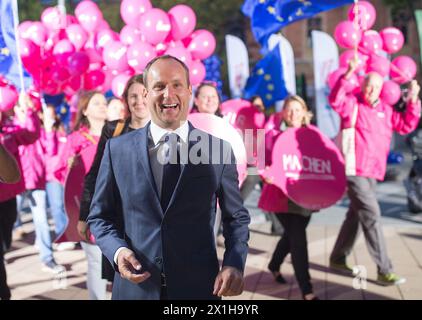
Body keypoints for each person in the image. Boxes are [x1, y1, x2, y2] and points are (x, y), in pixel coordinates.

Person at [87, 55, 250, 300]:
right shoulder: (117, 149)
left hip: (198, 290)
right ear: (145, 95)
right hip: (135, 290)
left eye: (176, 85)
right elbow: (100, 216)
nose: (168, 94)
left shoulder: (218, 150)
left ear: (189, 91)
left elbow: (235, 217)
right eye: (159, 86)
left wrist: (234, 262)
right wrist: (118, 252)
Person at [328, 59, 421, 285]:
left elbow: (406, 125)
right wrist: (348, 73)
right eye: (368, 85)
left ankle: (338, 257)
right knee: (372, 214)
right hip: (353, 169)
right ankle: (384, 269)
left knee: (356, 215)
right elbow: (336, 100)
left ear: (382, 89)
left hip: (373, 171)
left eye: (377, 87)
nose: (372, 90)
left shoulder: (386, 110)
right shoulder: (353, 104)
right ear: (362, 85)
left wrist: (414, 99)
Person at [78, 74, 150, 284]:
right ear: (125, 99)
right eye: (133, 96)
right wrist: (84, 215)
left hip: (150, 220)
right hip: (119, 219)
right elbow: (95, 175)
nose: (139, 101)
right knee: (123, 274)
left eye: (144, 95)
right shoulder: (114, 129)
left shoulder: (165, 132)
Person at [258, 95, 319, 300]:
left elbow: (322, 161)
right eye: (289, 109)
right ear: (283, 113)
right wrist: (264, 173)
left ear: (304, 112)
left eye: (297, 109)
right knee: (298, 239)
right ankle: (307, 290)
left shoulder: (312, 135)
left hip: (305, 197)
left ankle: (274, 264)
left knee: (292, 235)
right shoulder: (272, 134)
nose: (293, 113)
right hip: (279, 196)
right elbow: (256, 159)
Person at [54, 90, 108, 299]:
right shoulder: (76, 139)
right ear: (84, 110)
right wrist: (69, 168)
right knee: (95, 260)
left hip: (117, 206)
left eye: (104, 102)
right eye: (96, 103)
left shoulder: (119, 133)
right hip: (88, 208)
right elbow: (61, 174)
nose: (103, 106)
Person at [0, 94, 40, 300]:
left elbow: (31, 134)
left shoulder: (8, 130)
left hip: (6, 199)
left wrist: (29, 111)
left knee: (4, 244)